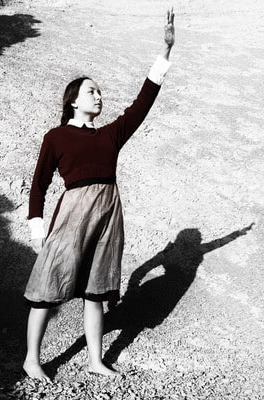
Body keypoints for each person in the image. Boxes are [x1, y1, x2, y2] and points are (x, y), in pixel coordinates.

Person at [23, 9, 176, 380]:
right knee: (48, 283)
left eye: (100, 92)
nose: (99, 96)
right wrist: (37, 224)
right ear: (74, 100)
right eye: (92, 91)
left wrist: (166, 51)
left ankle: (95, 360)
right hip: (74, 211)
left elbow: (142, 104)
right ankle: (32, 359)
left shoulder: (109, 135)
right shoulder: (56, 137)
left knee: (96, 289)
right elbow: (40, 182)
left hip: (109, 210)